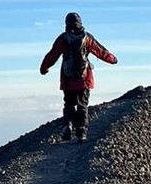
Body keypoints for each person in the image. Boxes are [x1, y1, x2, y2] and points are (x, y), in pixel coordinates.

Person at [40, 12, 117, 142]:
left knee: (69, 104)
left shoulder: (63, 38)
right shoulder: (87, 38)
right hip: (84, 79)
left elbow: (53, 54)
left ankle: (68, 126)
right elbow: (100, 51)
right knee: (82, 105)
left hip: (67, 78)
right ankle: (81, 133)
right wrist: (113, 59)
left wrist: (44, 68)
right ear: (80, 23)